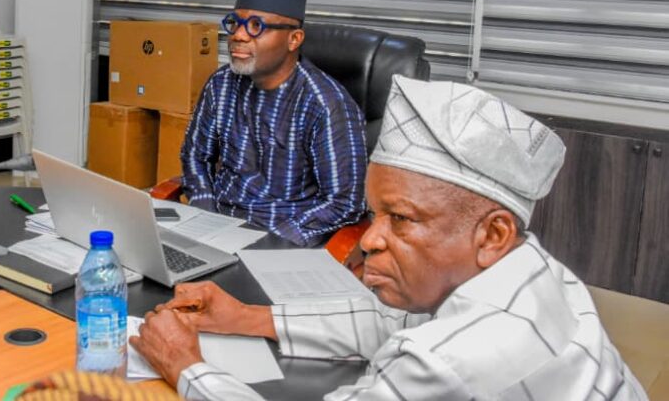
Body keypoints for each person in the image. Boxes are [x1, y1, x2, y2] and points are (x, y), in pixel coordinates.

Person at [132, 76, 647, 400]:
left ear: (492, 232)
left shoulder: (457, 357)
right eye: (375, 213)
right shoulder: (523, 267)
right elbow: (393, 321)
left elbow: (425, 350)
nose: (371, 239)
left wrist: (186, 367)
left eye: (401, 219)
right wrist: (247, 317)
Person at [181, 0, 367, 246]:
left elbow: (345, 202)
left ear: (294, 39)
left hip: (283, 241)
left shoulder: (325, 104)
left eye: (256, 26)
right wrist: (203, 207)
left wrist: (274, 241)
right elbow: (195, 155)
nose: (238, 36)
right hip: (219, 226)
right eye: (235, 23)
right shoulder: (221, 84)